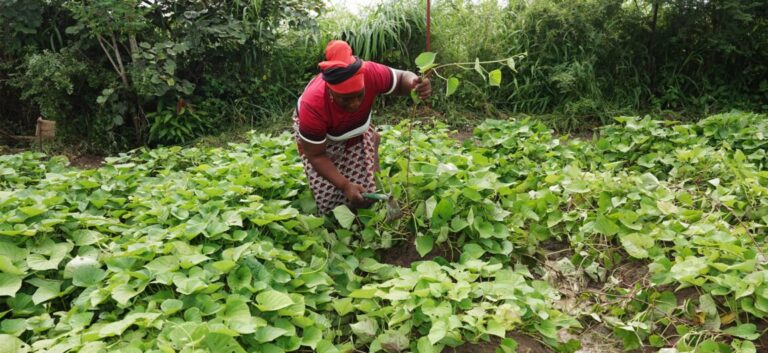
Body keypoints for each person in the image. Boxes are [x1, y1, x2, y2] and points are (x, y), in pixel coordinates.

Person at [294, 40, 431, 215]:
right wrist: (344, 185)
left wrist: (415, 84)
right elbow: (316, 155)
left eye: (359, 96)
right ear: (330, 91)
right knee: (332, 206)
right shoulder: (312, 105)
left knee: (366, 193)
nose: (354, 104)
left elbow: (402, 78)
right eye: (345, 99)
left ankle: (370, 139)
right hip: (322, 140)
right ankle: (371, 140)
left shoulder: (370, 73)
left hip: (355, 129)